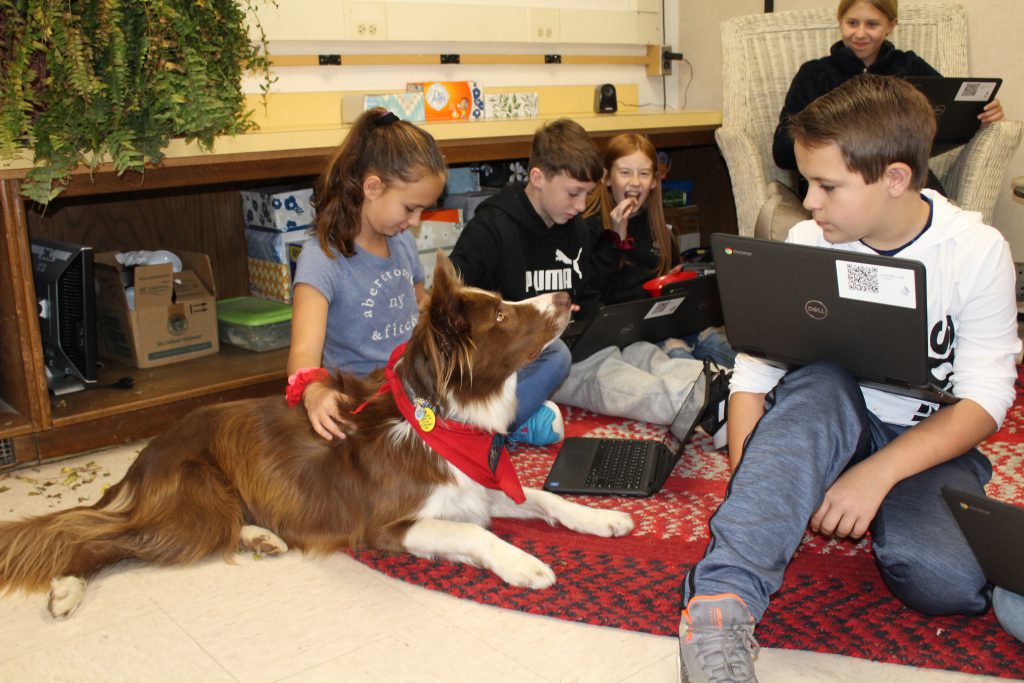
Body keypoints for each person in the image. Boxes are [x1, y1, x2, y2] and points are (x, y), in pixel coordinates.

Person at [677, 75, 1021, 682]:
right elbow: (754, 376)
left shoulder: (976, 249)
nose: (807, 201)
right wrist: (753, 484)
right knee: (821, 379)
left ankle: (860, 501)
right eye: (807, 182)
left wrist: (878, 475)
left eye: (826, 186)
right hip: (824, 423)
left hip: (926, 447)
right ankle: (718, 609)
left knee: (947, 583)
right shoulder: (807, 242)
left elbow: (986, 400)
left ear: (894, 178)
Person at [287, 108, 563, 446]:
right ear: (372, 187)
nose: (416, 222)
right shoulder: (321, 259)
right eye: (410, 208)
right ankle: (494, 427)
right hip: (373, 404)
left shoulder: (400, 241)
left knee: (555, 354)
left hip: (421, 385)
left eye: (424, 210)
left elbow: (424, 315)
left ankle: (487, 426)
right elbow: (302, 354)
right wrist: (314, 391)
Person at [772, 0, 1004, 192]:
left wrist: (980, 114)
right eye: (852, 23)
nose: (860, 33)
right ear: (839, 21)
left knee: (936, 210)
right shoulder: (814, 74)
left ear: (891, 25)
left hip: (900, 177)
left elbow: (948, 114)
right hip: (834, 179)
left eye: (872, 24)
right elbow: (782, 150)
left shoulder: (909, 66)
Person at [583, 133, 736, 369]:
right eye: (625, 172)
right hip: (628, 333)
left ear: (655, 181)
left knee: (726, 350)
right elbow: (590, 292)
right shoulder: (590, 225)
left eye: (643, 174)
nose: (635, 182)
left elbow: (666, 280)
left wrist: (677, 280)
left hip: (665, 321)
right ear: (607, 177)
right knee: (687, 367)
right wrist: (616, 239)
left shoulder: (658, 228)